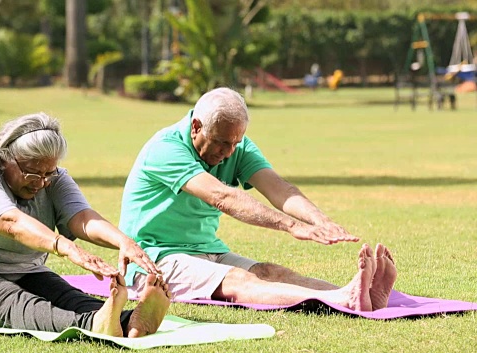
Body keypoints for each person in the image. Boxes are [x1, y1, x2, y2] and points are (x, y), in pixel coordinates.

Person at [119, 87, 397, 312]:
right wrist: (290, 226)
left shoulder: (235, 144)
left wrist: (320, 221)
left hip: (207, 249)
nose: (229, 152)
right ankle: (342, 301)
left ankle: (358, 295)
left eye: (235, 143)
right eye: (221, 143)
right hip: (153, 259)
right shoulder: (165, 149)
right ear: (196, 126)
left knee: (269, 271)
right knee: (239, 281)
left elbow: (278, 188)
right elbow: (222, 196)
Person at [0, 112, 171, 337]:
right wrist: (65, 247)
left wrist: (123, 242)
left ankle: (127, 321)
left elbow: (82, 217)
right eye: (31, 172)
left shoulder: (52, 178)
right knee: (20, 304)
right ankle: (92, 326)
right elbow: (11, 222)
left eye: (47, 173)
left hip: (22, 271)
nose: (40, 182)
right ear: (6, 157)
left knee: (68, 296)